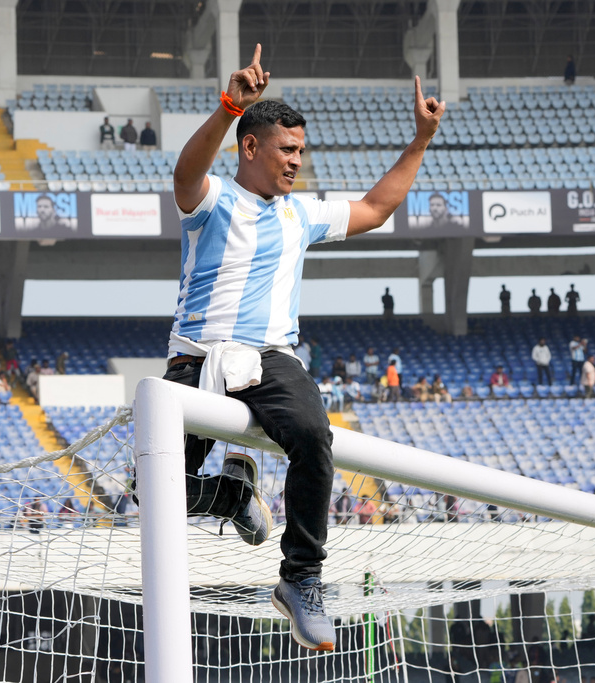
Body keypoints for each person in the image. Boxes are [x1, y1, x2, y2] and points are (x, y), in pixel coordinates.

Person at [158, 43, 445, 652]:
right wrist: (230, 106)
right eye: (286, 149)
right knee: (153, 488)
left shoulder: (301, 214)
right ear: (250, 147)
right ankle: (232, 494)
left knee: (315, 437)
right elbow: (184, 174)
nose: (296, 161)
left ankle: (301, 578)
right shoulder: (212, 200)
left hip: (270, 359)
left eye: (300, 151)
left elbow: (376, 207)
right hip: (196, 359)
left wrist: (420, 142)